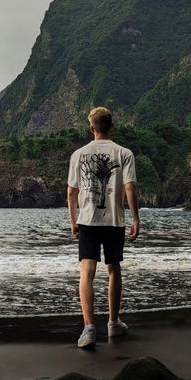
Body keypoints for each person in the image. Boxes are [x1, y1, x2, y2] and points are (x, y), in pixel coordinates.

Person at [67, 106, 139, 349]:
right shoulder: (124, 153)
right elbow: (130, 187)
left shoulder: (78, 154)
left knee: (86, 271)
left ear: (91, 128)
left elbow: (71, 192)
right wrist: (135, 218)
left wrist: (73, 219)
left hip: (87, 219)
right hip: (114, 220)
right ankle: (113, 323)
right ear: (112, 126)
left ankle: (88, 329)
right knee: (113, 269)